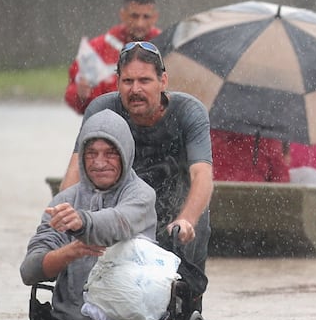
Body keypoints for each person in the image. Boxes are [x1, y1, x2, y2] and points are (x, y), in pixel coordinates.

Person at [61, 41, 214, 289]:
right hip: (121, 213)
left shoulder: (189, 112)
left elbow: (202, 175)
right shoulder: (102, 109)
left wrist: (186, 220)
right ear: (117, 82)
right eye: (128, 81)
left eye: (144, 81)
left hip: (177, 219)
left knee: (179, 303)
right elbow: (76, 169)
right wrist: (63, 215)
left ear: (163, 81)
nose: (135, 90)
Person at [19, 111, 157, 320]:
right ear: (81, 157)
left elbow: (117, 223)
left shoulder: (141, 195)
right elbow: (29, 270)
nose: (100, 163)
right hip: (68, 319)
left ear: (126, 154)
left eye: (110, 153)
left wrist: (82, 222)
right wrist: (67, 253)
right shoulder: (64, 201)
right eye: (91, 153)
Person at [64, 0, 160, 114]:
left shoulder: (167, 48)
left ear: (155, 17)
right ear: (123, 15)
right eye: (134, 16)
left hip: (154, 129)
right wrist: (80, 95)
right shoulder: (96, 49)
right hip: (107, 125)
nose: (139, 23)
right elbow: (72, 94)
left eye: (146, 17)